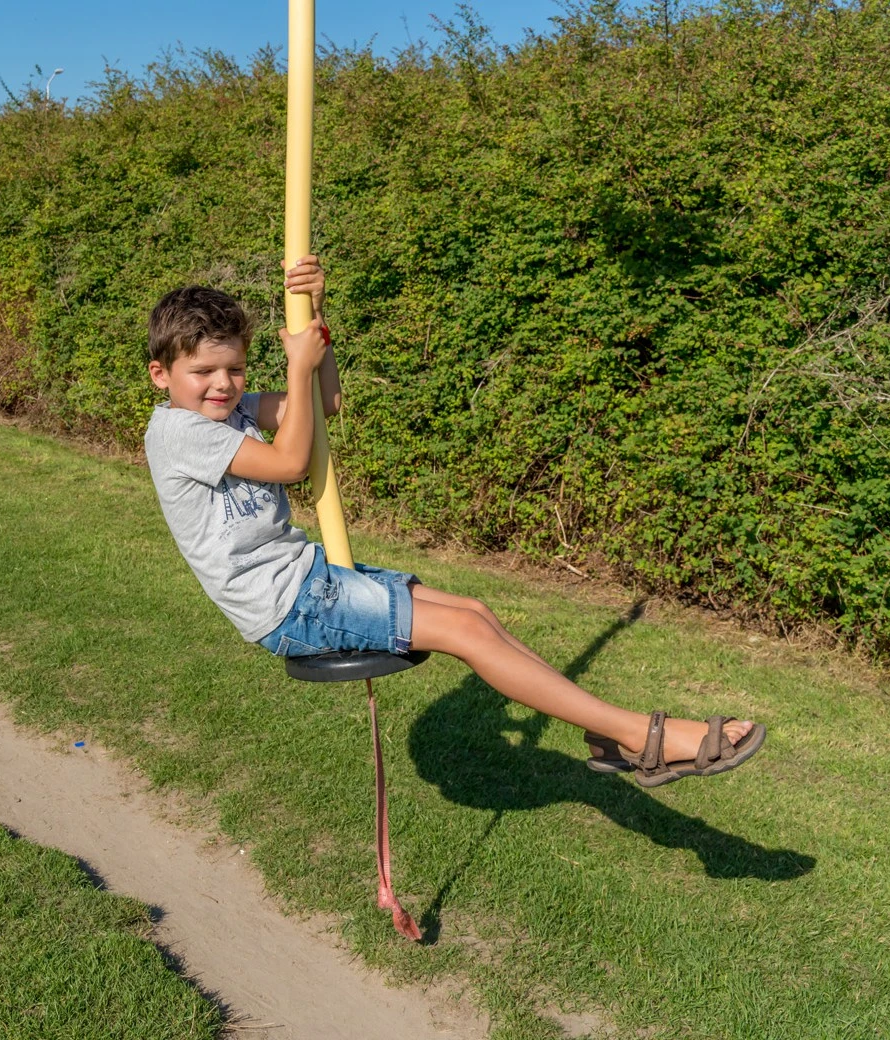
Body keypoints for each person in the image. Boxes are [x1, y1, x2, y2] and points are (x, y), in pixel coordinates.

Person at [142, 257, 766, 787]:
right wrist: (298, 368)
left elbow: (323, 404)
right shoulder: (178, 432)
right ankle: (642, 737)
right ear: (161, 374)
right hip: (285, 605)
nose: (223, 384)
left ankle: (606, 734)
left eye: (235, 369)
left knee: (474, 613)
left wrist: (316, 321)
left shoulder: (234, 410)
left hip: (310, 576)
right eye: (204, 372)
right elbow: (291, 462)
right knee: (467, 634)